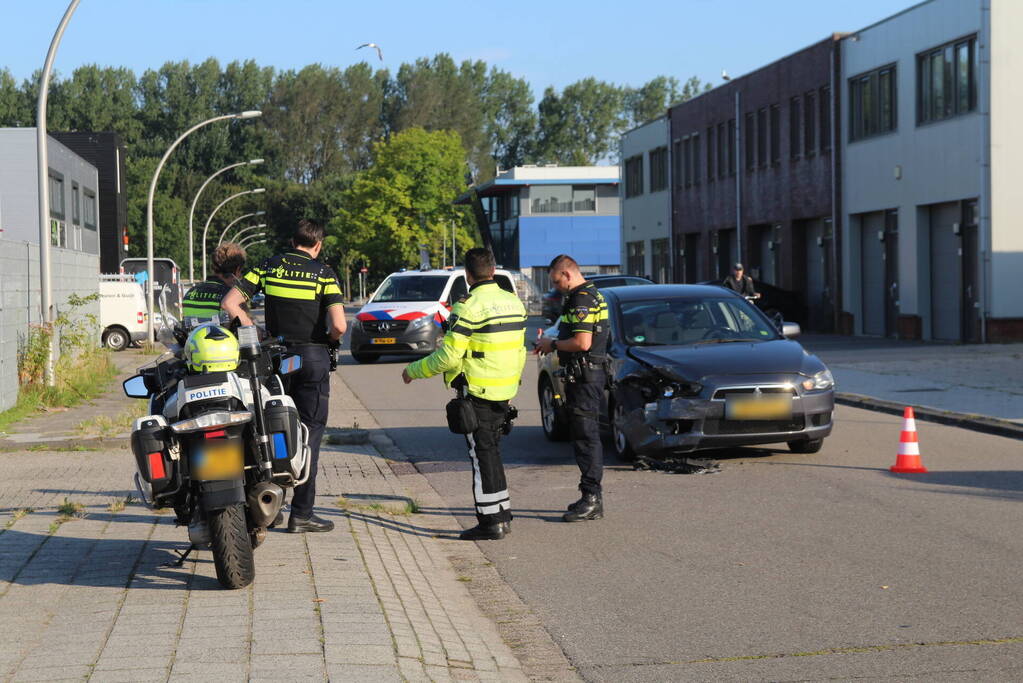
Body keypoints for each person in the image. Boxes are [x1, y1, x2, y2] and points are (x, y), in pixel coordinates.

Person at [221, 219, 346, 533]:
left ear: (293, 242)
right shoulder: (324, 274)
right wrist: (329, 338)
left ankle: (269, 509)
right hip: (313, 358)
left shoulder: (269, 266)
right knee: (308, 435)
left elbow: (230, 302)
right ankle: (302, 514)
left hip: (276, 358)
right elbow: (340, 326)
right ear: (318, 245)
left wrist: (252, 328)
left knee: (271, 428)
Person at [401, 248, 526, 541]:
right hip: (505, 390)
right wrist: (511, 386)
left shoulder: (467, 307)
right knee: (492, 452)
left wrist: (413, 370)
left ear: (467, 275)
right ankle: (502, 513)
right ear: (493, 271)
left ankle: (489, 522)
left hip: (478, 392)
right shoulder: (513, 302)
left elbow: (448, 357)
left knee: (481, 456)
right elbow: (519, 350)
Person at [536, 255, 609, 522]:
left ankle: (592, 499)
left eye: (557, 281)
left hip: (586, 376)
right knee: (584, 436)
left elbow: (582, 342)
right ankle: (590, 496)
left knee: (586, 438)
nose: (556, 288)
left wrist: (553, 344)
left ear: (567, 274)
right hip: (587, 375)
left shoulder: (581, 299)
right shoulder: (590, 294)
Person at [182, 242, 247, 320]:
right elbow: (247, 328)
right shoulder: (231, 298)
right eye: (241, 271)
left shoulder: (189, 293)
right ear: (237, 270)